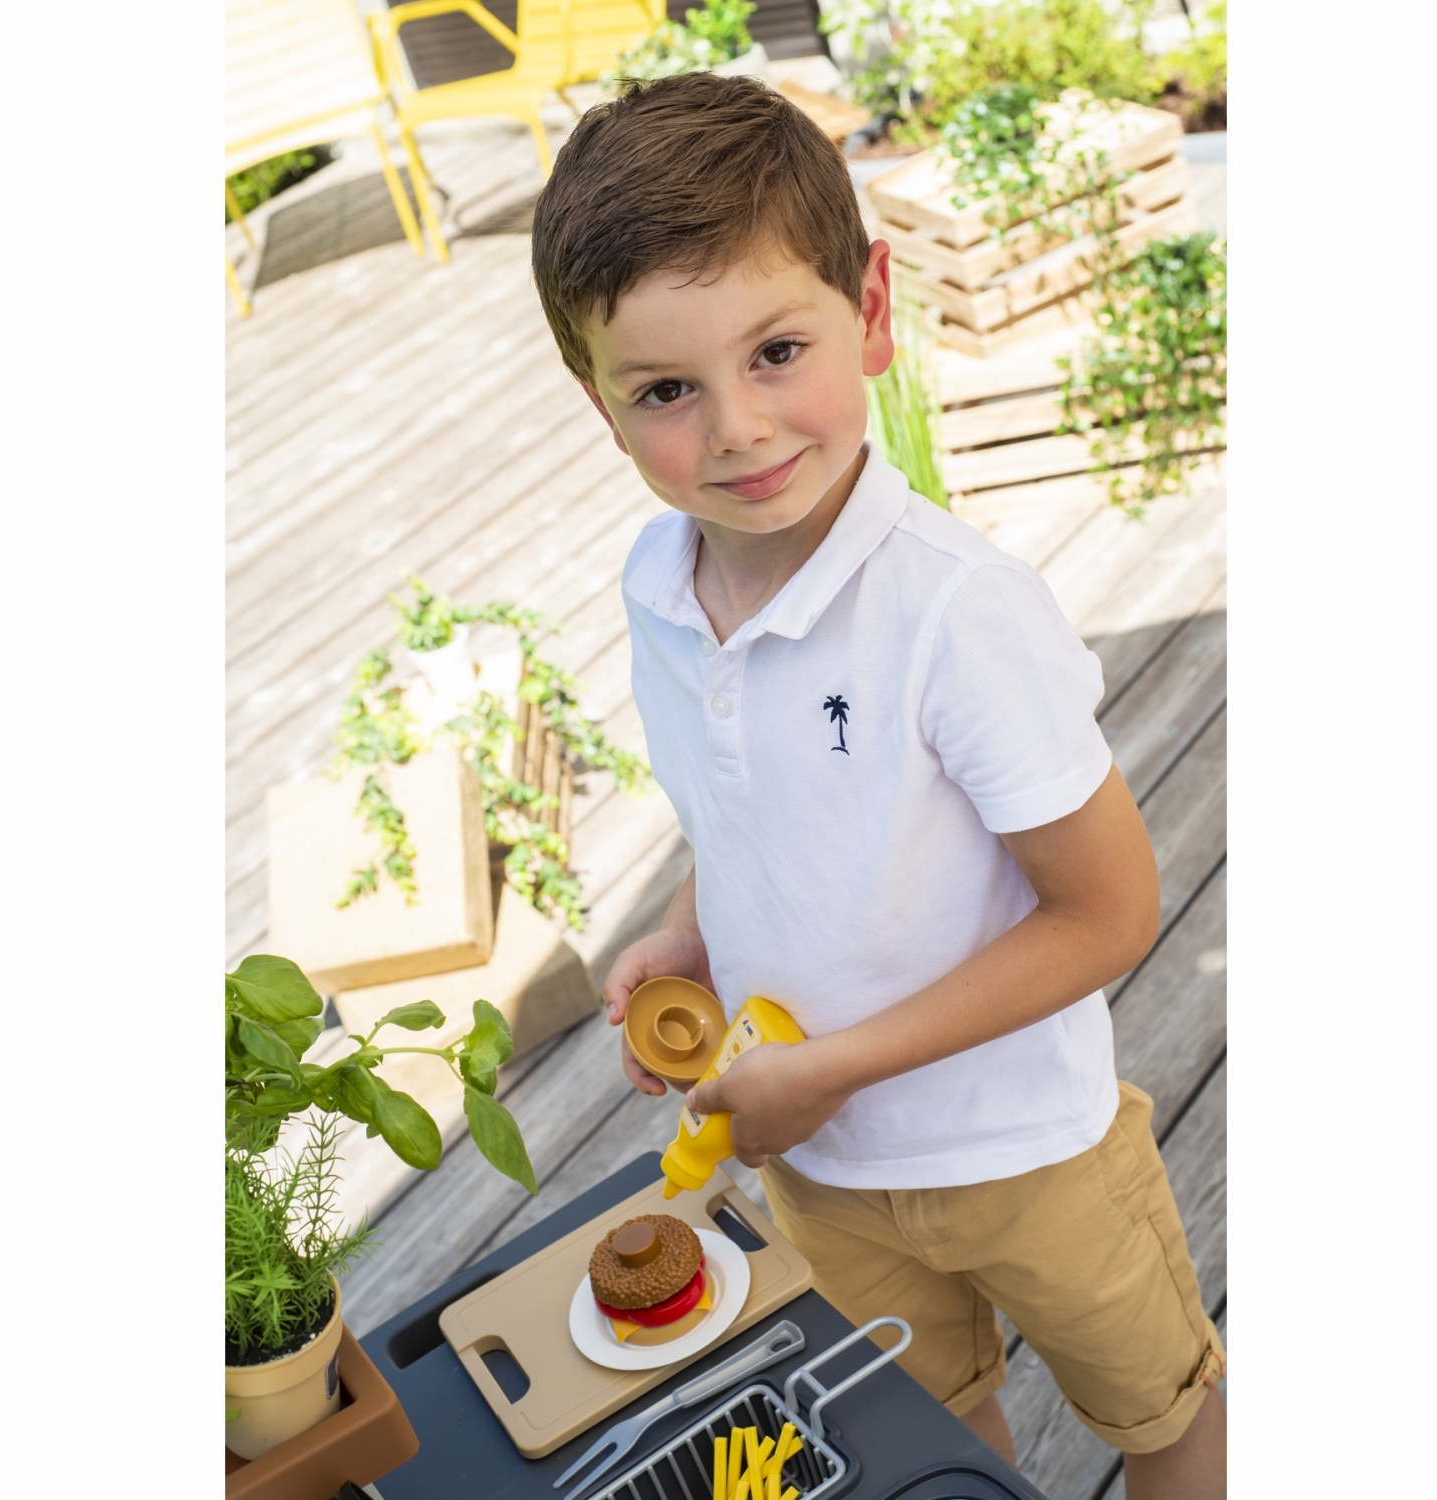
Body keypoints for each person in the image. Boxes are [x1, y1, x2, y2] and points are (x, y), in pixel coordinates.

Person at [529, 72, 1226, 1499]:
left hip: (1028, 1148)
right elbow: (746, 812)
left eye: (778, 351)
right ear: (602, 411)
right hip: (824, 1171)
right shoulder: (660, 589)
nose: (736, 427)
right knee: (926, 1430)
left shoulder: (958, 615)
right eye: (666, 391)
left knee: (1163, 1412)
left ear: (874, 310)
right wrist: (690, 930)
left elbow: (1108, 914)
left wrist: (832, 1070)